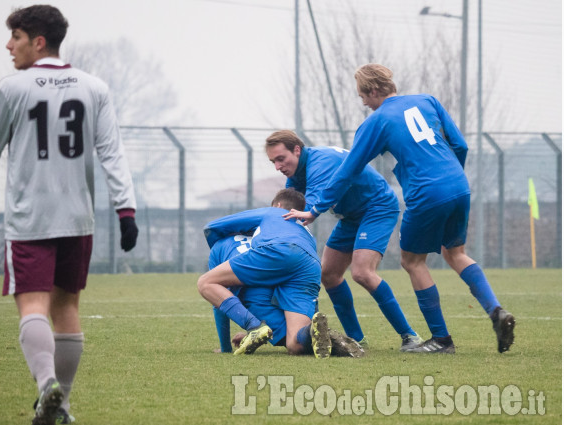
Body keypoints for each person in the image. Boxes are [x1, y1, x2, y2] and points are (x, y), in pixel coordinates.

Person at [0, 5, 139, 424]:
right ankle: (60, 407)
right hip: (78, 218)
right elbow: (111, 152)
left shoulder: (13, 88)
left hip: (30, 219)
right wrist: (126, 209)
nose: (10, 46)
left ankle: (47, 386)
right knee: (67, 309)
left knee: (32, 307)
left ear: (38, 41)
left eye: (16, 38)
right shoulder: (94, 87)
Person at [284, 63, 515, 354]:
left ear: (374, 90)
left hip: (425, 193)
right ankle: (495, 310)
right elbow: (460, 144)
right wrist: (450, 175)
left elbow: (348, 171)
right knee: (455, 253)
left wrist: (315, 209)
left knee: (412, 262)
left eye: (363, 96)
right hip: (458, 184)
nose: (364, 103)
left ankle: (441, 340)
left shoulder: (376, 121)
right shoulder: (427, 100)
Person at [266, 130, 422, 351]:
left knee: (362, 273)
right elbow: (288, 209)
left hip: (377, 208)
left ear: (297, 150)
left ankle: (410, 336)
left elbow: (309, 208)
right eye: (273, 161)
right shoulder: (296, 174)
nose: (278, 166)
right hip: (351, 216)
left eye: (281, 159)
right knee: (328, 274)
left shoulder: (321, 162)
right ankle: (357, 339)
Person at [198, 189, 332, 358]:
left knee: (205, 283)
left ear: (278, 205)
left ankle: (254, 327)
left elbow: (212, 227)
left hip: (278, 253)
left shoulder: (272, 212)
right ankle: (312, 333)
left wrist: (219, 247)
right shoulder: (305, 230)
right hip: (311, 263)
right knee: (295, 344)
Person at [208, 233, 364, 358]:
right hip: (286, 278)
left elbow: (219, 302)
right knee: (297, 326)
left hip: (256, 294)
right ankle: (314, 328)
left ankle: (329, 341)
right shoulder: (262, 235)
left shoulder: (217, 248)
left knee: (293, 343)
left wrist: (225, 348)